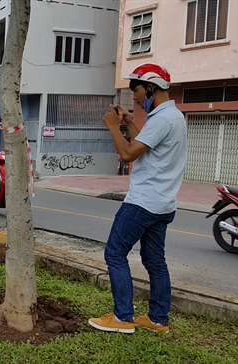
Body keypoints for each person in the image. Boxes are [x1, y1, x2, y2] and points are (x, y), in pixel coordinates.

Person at [88, 63, 187, 334]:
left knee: (114, 253)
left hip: (143, 201)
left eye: (137, 90)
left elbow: (129, 154)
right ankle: (158, 320)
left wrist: (113, 128)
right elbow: (148, 149)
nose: (134, 96)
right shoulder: (175, 117)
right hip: (164, 204)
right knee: (155, 260)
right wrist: (130, 122)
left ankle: (122, 318)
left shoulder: (160, 119)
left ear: (152, 88)